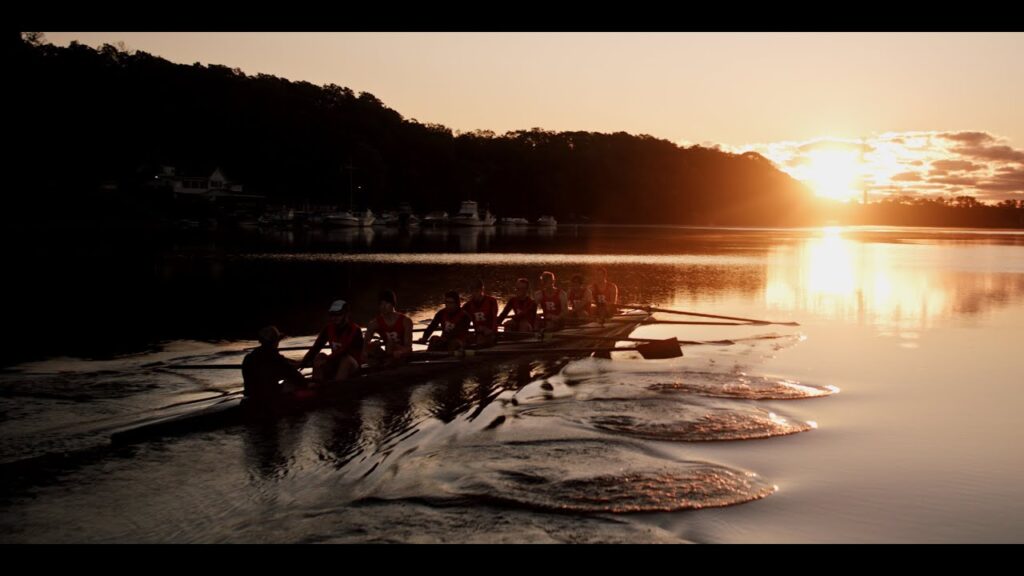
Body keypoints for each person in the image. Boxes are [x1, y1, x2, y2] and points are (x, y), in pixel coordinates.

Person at [300, 300, 364, 384]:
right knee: (319, 356)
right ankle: (315, 385)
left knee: (345, 359)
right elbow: (316, 348)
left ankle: (336, 386)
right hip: (335, 362)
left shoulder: (355, 330)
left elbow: (345, 351)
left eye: (338, 314)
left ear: (346, 314)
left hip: (352, 366)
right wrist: (303, 362)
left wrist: (327, 360)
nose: (334, 317)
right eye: (332, 314)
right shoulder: (328, 329)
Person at [242, 325, 306, 402]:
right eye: (277, 340)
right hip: (268, 398)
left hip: (251, 396)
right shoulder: (276, 358)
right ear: (275, 341)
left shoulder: (249, 357)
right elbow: (297, 378)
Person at [366, 289, 414, 363]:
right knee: (380, 346)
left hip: (402, 354)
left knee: (391, 344)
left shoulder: (406, 321)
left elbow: (408, 348)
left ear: (393, 304)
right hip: (387, 352)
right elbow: (365, 345)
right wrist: (372, 344)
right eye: (381, 304)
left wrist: (401, 352)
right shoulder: (374, 324)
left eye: (386, 303)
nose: (383, 307)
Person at [462, 279, 499, 346]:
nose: (474, 294)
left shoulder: (492, 301)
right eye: (472, 291)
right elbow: (459, 318)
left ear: (482, 290)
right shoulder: (468, 305)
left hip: (491, 333)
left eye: (476, 291)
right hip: (478, 334)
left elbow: (494, 319)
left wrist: (491, 330)